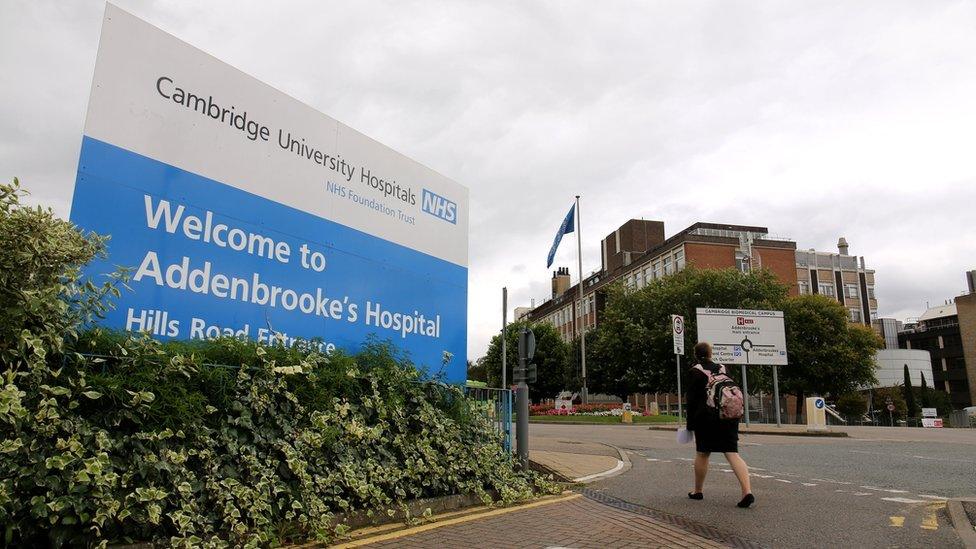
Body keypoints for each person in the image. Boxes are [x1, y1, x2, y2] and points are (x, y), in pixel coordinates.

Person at [685, 341, 755, 508]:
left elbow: (691, 401)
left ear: (696, 355)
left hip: (706, 418)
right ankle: (747, 491)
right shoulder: (724, 368)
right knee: (732, 453)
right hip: (728, 416)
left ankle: (698, 491)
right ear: (711, 353)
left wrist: (690, 425)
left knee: (703, 453)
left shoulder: (695, 371)